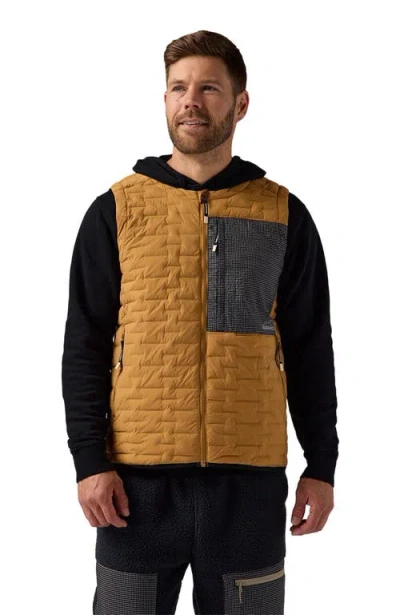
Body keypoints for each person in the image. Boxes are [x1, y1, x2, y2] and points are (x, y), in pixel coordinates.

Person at [61, 29, 339, 615]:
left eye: (209, 88)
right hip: (134, 488)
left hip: (249, 488)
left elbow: (311, 346)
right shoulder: (117, 210)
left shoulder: (283, 213)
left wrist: (322, 464)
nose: (191, 100)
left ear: (240, 103)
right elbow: (84, 344)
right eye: (178, 88)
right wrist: (89, 462)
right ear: (165, 99)